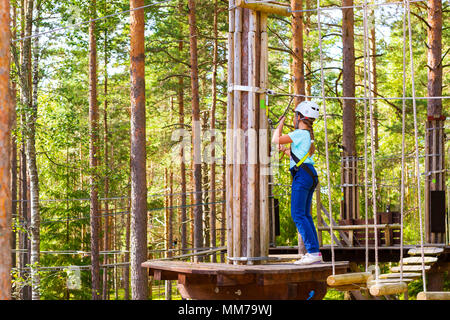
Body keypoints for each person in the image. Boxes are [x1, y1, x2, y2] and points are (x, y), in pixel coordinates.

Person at [271, 100, 323, 265]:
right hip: (308, 174)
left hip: (303, 176)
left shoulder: (299, 133)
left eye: (295, 116)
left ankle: (313, 252)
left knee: (298, 214)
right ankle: (315, 252)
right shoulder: (306, 135)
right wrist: (287, 151)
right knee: (305, 215)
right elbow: (300, 158)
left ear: (300, 117)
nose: (294, 119)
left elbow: (275, 139)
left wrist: (280, 123)